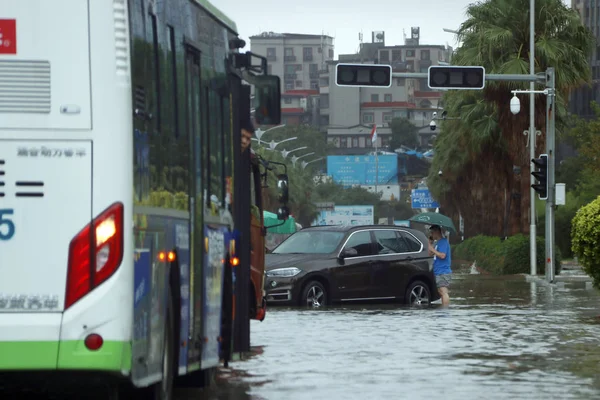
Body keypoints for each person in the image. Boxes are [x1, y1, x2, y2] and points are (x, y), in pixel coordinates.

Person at [428, 224, 452, 307]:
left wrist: (433, 249)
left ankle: (445, 310)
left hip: (443, 271)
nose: (431, 235)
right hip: (437, 271)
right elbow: (430, 253)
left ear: (437, 232)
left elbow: (442, 255)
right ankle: (444, 309)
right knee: (440, 291)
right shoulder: (437, 243)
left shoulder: (443, 242)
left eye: (432, 232)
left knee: (443, 291)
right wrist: (430, 244)